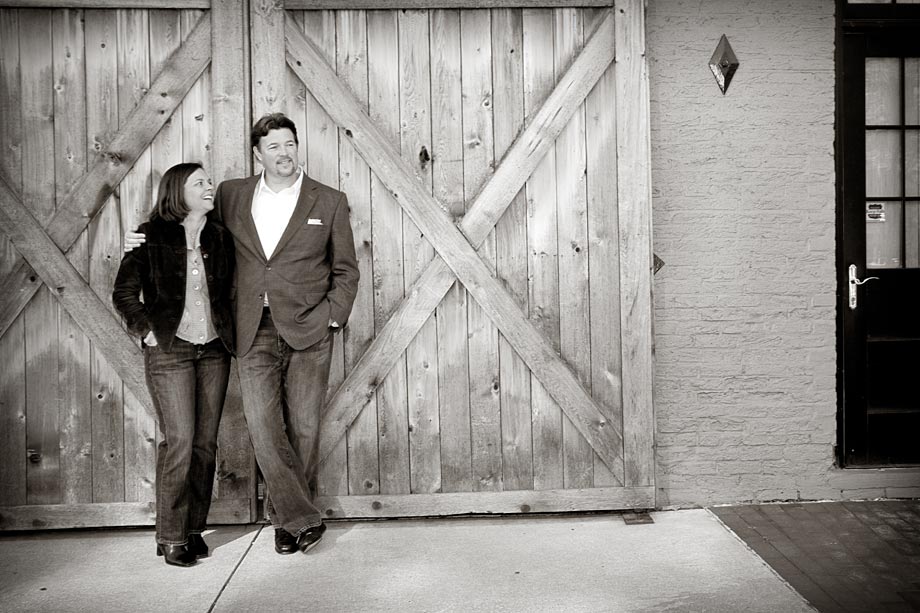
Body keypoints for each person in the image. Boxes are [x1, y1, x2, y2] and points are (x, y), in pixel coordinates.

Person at [125, 113, 360, 555]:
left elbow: (346, 268)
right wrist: (135, 240)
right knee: (263, 426)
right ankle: (302, 518)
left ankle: (286, 526)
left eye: (289, 143)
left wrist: (334, 313)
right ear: (258, 154)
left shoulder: (328, 200)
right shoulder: (232, 195)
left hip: (310, 327)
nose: (284, 153)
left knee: (305, 428)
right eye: (273, 146)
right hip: (251, 329)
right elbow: (179, 224)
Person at [113, 163, 235, 567]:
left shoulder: (220, 236)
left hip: (214, 350)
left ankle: (194, 529)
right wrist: (146, 331)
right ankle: (170, 535)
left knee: (204, 444)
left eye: (209, 181)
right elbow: (125, 292)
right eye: (199, 182)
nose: (209, 186)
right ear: (176, 191)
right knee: (180, 440)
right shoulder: (150, 236)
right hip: (171, 350)